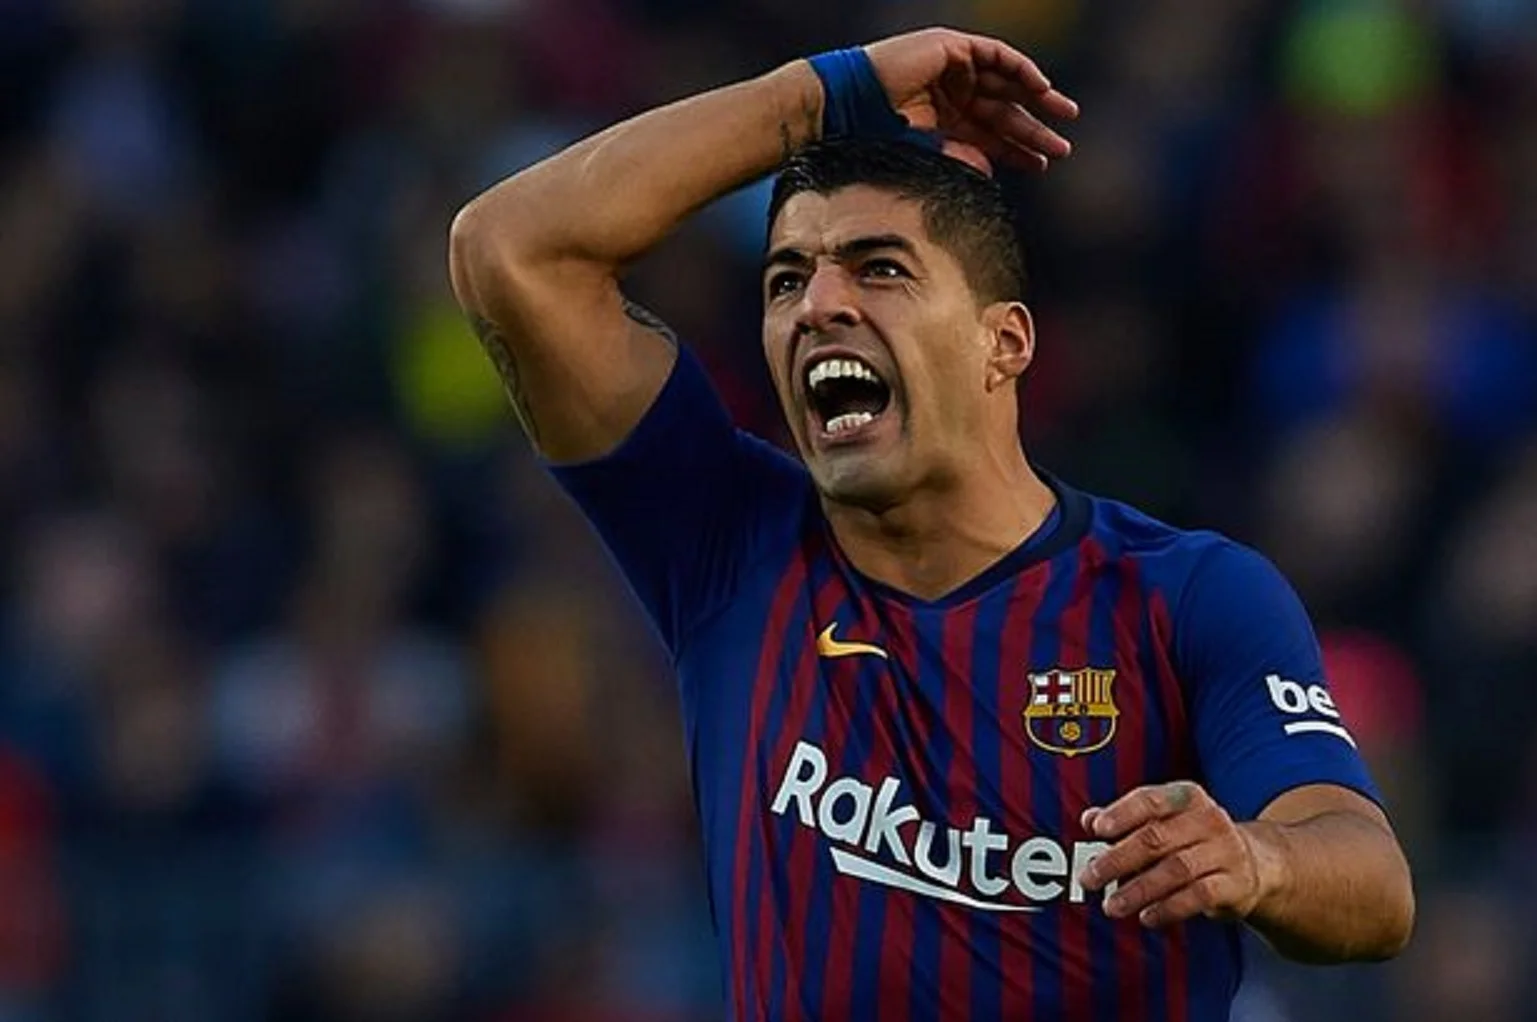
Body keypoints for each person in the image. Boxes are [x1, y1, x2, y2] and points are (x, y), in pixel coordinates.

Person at [448, 27, 1413, 1021]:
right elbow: (508, 247)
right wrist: (823, 96)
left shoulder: (1183, 595)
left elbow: (1372, 884)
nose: (818, 305)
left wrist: (1257, 858)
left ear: (1004, 343)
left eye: (879, 269)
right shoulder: (730, 544)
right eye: (786, 279)